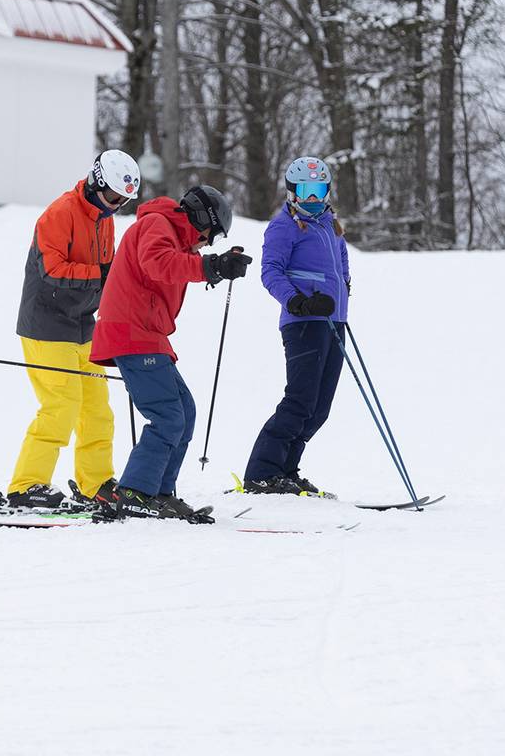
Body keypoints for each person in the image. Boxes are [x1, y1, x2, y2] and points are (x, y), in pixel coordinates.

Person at [89, 184, 251, 522]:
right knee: (167, 416)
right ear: (203, 219)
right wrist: (211, 266)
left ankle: (159, 491)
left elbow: (181, 264)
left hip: (147, 335)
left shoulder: (176, 238)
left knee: (185, 412)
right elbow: (158, 263)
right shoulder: (157, 225)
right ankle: (135, 492)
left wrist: (219, 266)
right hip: (131, 333)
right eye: (211, 236)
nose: (207, 243)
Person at [0, 149, 142, 513]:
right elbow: (51, 270)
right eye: (112, 197)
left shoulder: (104, 219)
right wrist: (99, 276)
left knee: (97, 409)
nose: (115, 206)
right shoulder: (60, 213)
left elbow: (106, 268)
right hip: (45, 324)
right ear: (96, 183)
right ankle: (25, 486)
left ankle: (95, 484)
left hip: (82, 324)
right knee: (61, 405)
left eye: (123, 202)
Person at [242, 155, 349, 496]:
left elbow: (341, 261)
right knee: (300, 400)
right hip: (303, 322)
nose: (312, 199)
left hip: (333, 320)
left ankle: (286, 469)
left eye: (318, 190)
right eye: (306, 191)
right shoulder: (284, 226)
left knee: (320, 408)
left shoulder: (330, 223)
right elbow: (270, 271)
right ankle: (262, 472)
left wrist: (345, 287)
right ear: (292, 192)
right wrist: (297, 301)